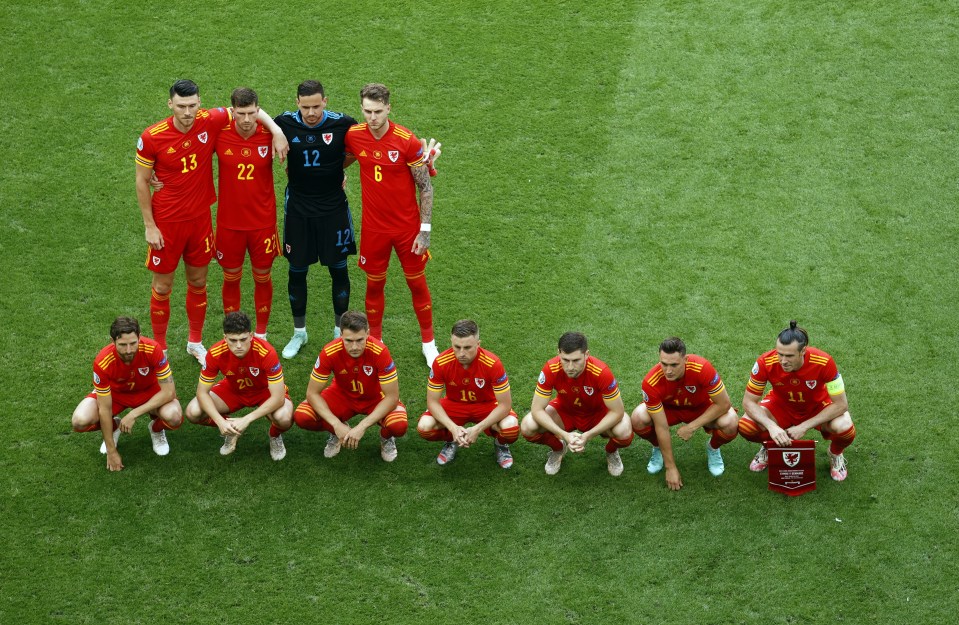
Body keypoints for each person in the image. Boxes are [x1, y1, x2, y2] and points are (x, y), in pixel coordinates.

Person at [135, 79, 288, 365]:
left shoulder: (210, 121)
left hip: (201, 220)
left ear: (200, 104)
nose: (188, 112)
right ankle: (161, 349)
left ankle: (195, 342)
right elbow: (142, 182)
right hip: (167, 222)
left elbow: (249, 110)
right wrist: (149, 225)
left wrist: (276, 130)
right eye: (181, 106)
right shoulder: (152, 136)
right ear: (170, 104)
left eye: (193, 105)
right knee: (163, 286)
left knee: (198, 281)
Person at [344, 83, 441, 366]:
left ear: (388, 108)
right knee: (374, 286)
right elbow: (345, 160)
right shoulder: (354, 136)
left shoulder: (406, 140)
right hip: (374, 230)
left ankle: (429, 345)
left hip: (406, 229)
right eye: (366, 111)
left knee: (417, 285)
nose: (372, 118)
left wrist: (425, 231)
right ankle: (375, 341)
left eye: (377, 111)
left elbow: (425, 187)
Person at [273, 80, 358, 359]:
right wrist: (274, 131)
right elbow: (248, 116)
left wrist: (336, 169)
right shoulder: (283, 123)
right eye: (305, 106)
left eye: (316, 106)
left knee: (339, 270)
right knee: (297, 271)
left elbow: (356, 151)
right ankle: (299, 333)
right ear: (297, 102)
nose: (311, 112)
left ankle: (339, 332)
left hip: (333, 208)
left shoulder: (344, 124)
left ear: (326, 101)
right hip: (298, 209)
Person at [738, 321, 856, 481]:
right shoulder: (765, 362)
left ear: (803, 351)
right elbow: (748, 402)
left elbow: (841, 404)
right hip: (781, 406)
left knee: (845, 427)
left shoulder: (824, 362)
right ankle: (769, 447)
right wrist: (771, 427)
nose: (783, 360)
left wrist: (804, 426)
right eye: (779, 353)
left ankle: (835, 454)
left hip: (817, 407)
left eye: (789, 356)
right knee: (746, 426)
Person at [293, 310, 407, 462]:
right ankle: (337, 430)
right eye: (348, 340)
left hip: (374, 398)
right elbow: (312, 393)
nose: (354, 347)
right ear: (340, 335)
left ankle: (386, 438)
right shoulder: (329, 351)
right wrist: (335, 424)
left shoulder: (380, 351)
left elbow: (392, 397)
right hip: (342, 396)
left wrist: (361, 427)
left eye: (360, 340)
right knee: (302, 416)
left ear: (367, 333)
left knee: (398, 425)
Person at [72, 316, 182, 471]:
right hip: (116, 394)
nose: (129, 350)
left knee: (175, 417)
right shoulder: (102, 361)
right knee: (79, 421)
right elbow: (104, 408)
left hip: (149, 392)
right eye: (123, 345)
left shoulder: (153, 349)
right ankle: (114, 426)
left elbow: (169, 392)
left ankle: (156, 429)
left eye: (133, 343)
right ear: (112, 341)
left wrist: (134, 414)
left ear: (139, 336)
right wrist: (111, 451)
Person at [214, 87, 281, 338]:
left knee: (262, 277)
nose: (245, 120)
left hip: (262, 222)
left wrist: (276, 130)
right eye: (240, 113)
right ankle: (233, 333)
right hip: (229, 223)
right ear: (232, 111)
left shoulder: (270, 135)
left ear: (258, 111)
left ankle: (261, 335)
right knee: (231, 277)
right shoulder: (218, 133)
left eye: (251, 113)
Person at [630, 337, 739, 490]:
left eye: (674, 365)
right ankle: (658, 448)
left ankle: (713, 448)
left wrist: (692, 427)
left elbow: (724, 404)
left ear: (685, 359)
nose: (668, 370)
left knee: (731, 421)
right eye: (664, 364)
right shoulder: (651, 381)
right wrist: (671, 468)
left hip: (701, 408)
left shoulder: (702, 368)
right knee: (638, 417)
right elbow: (661, 427)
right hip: (669, 410)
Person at [520, 332, 633, 476]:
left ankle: (611, 451)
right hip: (565, 412)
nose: (570, 367)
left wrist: (588, 435)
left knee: (624, 431)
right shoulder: (551, 368)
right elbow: (536, 409)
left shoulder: (601, 372)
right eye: (565, 360)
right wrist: (563, 435)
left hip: (597, 414)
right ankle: (558, 448)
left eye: (576, 360)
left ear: (587, 355)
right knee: (528, 426)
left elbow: (617, 411)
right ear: (558, 353)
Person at [184, 312, 293, 460]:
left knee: (284, 418)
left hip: (264, 391)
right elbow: (202, 393)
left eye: (243, 339)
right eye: (233, 340)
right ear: (225, 338)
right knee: (193, 411)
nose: (239, 345)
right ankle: (231, 430)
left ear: (251, 335)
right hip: (233, 390)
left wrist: (247, 419)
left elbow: (278, 398)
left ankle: (274, 436)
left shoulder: (267, 352)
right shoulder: (215, 353)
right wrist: (220, 421)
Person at [416, 320, 519, 469]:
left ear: (478, 344)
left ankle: (500, 445)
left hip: (486, 405)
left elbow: (505, 405)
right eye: (457, 347)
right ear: (451, 341)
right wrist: (452, 427)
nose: (461, 353)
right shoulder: (441, 362)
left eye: (467, 347)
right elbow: (432, 402)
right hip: (454, 405)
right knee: (425, 427)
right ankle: (452, 440)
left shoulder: (492, 363)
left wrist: (477, 428)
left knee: (511, 427)